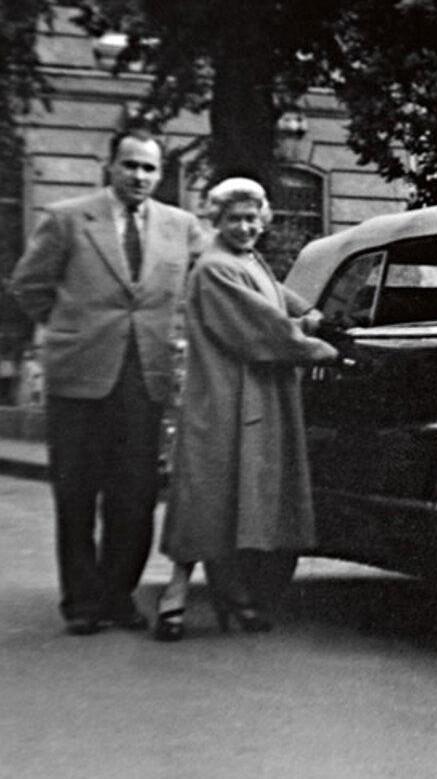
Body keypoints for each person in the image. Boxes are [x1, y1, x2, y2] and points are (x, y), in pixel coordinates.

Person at [8, 125, 204, 635]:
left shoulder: (180, 226)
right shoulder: (68, 218)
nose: (139, 176)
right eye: (130, 165)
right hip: (78, 377)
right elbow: (29, 285)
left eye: (149, 168)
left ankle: (118, 596)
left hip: (145, 377)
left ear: (160, 174)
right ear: (110, 167)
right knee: (76, 493)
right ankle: (80, 603)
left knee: (135, 495)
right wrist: (71, 329)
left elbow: (218, 274)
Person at [153, 177, 337, 641]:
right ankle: (176, 594)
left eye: (253, 218)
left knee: (232, 494)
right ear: (217, 221)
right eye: (234, 219)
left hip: (247, 394)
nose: (245, 227)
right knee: (207, 493)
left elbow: (272, 293)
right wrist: (316, 344)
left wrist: (308, 311)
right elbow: (261, 325)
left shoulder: (246, 258)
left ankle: (231, 595)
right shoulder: (214, 266)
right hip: (222, 398)